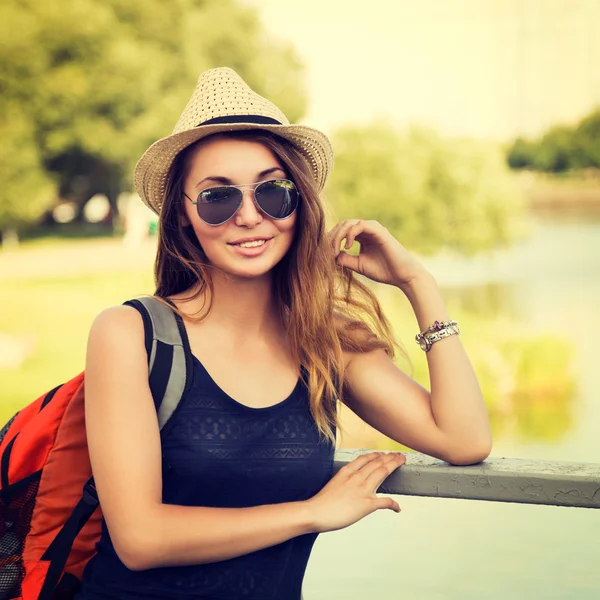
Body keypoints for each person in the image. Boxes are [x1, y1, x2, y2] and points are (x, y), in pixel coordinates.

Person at [75, 67, 492, 600]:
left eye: (273, 192)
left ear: (299, 205)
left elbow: (465, 439)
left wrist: (417, 283)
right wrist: (313, 513)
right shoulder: (131, 333)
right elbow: (140, 538)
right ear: (182, 219)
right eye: (218, 198)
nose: (250, 216)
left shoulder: (327, 341)